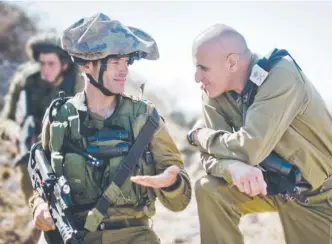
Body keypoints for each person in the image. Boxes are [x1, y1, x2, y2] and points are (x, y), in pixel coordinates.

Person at [30, 13, 191, 244]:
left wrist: (172, 182)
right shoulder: (59, 117)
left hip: (134, 236)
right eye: (115, 62)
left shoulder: (146, 118)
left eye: (126, 62)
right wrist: (39, 207)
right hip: (72, 236)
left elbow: (180, 201)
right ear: (87, 65)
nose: (124, 70)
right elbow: (43, 183)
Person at [187, 24, 332, 244]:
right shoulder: (214, 92)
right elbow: (210, 156)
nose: (196, 77)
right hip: (266, 184)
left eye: (203, 68)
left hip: (315, 196)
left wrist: (200, 136)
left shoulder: (280, 75)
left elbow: (249, 148)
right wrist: (232, 167)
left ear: (232, 63)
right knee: (209, 190)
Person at [0, 32, 84, 203]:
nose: (45, 69)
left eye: (51, 64)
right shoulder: (25, 81)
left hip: (65, 147)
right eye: (42, 63)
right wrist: (16, 131)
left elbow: (87, 120)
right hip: (30, 148)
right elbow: (5, 121)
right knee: (32, 195)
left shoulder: (77, 82)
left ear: (65, 65)